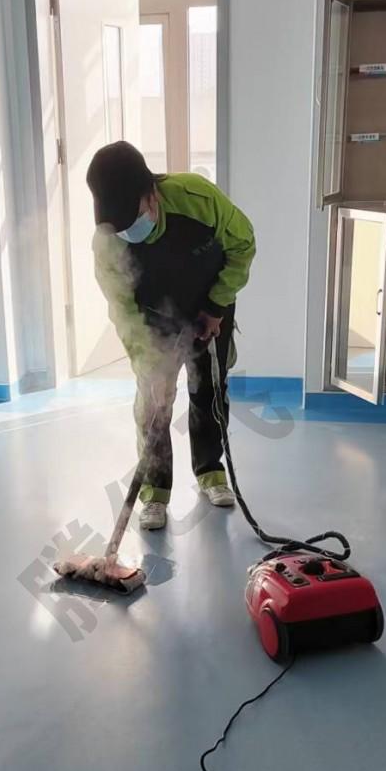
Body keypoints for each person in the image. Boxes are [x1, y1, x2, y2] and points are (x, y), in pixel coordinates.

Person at [86, 141, 256, 530]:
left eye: (133, 220)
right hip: (153, 319)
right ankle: (154, 494)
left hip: (209, 308)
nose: (129, 232)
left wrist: (215, 307)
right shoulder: (107, 241)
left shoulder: (198, 199)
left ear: (151, 195)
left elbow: (243, 245)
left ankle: (211, 473)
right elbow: (122, 309)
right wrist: (147, 363)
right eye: (121, 227)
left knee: (209, 391)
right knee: (153, 406)